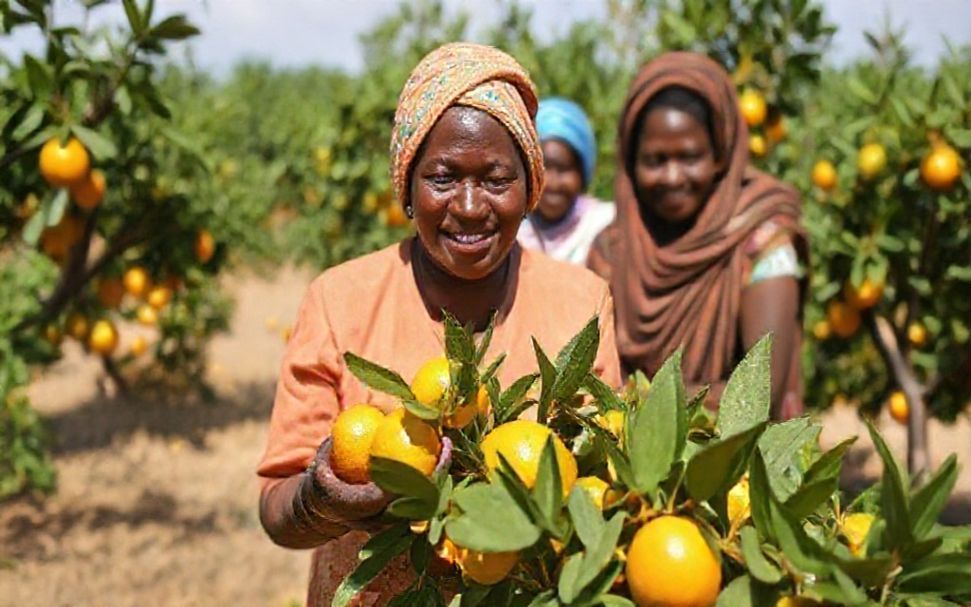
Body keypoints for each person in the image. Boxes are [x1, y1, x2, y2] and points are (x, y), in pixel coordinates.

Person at [257, 43, 621, 606]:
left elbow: (599, 484)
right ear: (407, 186)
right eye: (444, 177)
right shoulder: (340, 301)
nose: (471, 206)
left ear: (529, 191)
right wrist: (323, 499)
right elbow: (277, 510)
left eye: (496, 179)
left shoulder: (581, 305)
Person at [588, 52, 807, 419]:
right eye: (655, 161)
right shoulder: (612, 250)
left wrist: (635, 397)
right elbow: (591, 382)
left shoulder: (763, 243)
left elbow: (756, 397)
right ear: (631, 161)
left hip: (737, 462)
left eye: (690, 157)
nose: (673, 177)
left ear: (721, 155)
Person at [517, 97, 615, 264]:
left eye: (564, 169)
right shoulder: (513, 231)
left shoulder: (603, 225)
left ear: (583, 173)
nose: (553, 183)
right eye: (544, 168)